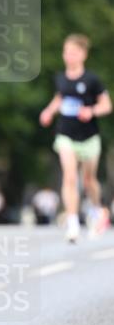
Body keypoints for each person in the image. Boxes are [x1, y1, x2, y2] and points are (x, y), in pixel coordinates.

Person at [39, 34, 112, 241]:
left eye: (73, 53)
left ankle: (98, 210)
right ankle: (73, 223)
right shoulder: (60, 78)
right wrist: (49, 111)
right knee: (70, 176)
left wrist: (92, 111)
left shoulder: (92, 80)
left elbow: (107, 105)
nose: (68, 56)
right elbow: (60, 98)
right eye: (66, 52)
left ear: (83, 55)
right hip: (66, 135)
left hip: (89, 137)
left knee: (89, 180)